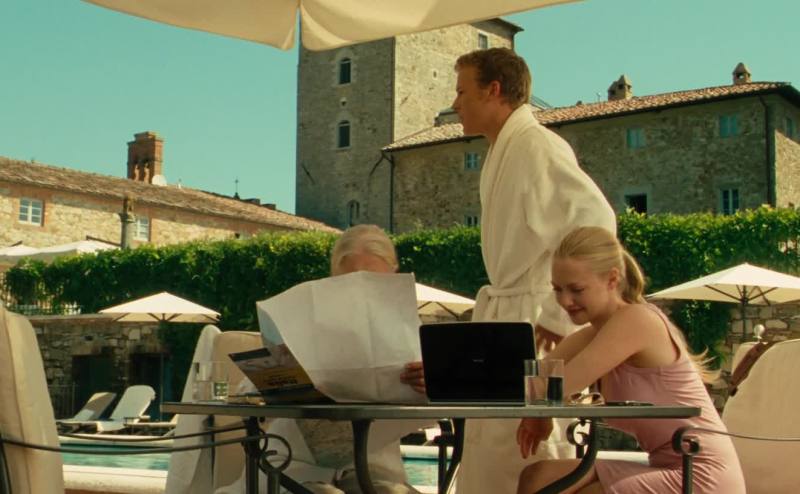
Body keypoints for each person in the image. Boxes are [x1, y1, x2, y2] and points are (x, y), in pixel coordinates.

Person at [399, 47, 618, 494]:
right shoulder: (506, 150)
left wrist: (561, 313)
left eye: (462, 91)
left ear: (493, 90)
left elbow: (596, 221)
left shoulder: (537, 146)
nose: (455, 103)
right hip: (509, 318)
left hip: (532, 324)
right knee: (494, 451)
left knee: (524, 452)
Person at [516, 226, 745, 494]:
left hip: (700, 471)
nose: (565, 301)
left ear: (612, 279)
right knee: (537, 477)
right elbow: (533, 379)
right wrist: (538, 411)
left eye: (576, 289)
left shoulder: (637, 320)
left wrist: (540, 411)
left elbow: (558, 386)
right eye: (557, 289)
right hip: (665, 464)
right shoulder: (593, 334)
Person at [270, 224, 422, 494]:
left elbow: (449, 396)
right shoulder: (300, 318)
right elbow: (251, 386)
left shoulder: (411, 332)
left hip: (374, 467)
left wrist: (432, 385)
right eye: (350, 282)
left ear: (393, 275)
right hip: (297, 463)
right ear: (334, 279)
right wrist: (282, 377)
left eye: (374, 282)